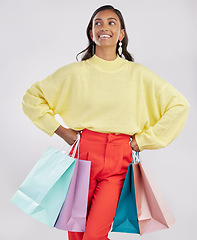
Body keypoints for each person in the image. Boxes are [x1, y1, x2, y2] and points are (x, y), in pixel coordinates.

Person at [22, 5, 190, 240]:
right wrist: (61, 132)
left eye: (112, 23)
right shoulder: (74, 73)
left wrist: (144, 141)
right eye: (98, 23)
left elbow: (179, 105)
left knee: (93, 236)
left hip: (119, 159)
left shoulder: (138, 74)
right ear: (91, 33)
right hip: (83, 153)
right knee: (77, 234)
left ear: (121, 34)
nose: (104, 27)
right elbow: (32, 98)